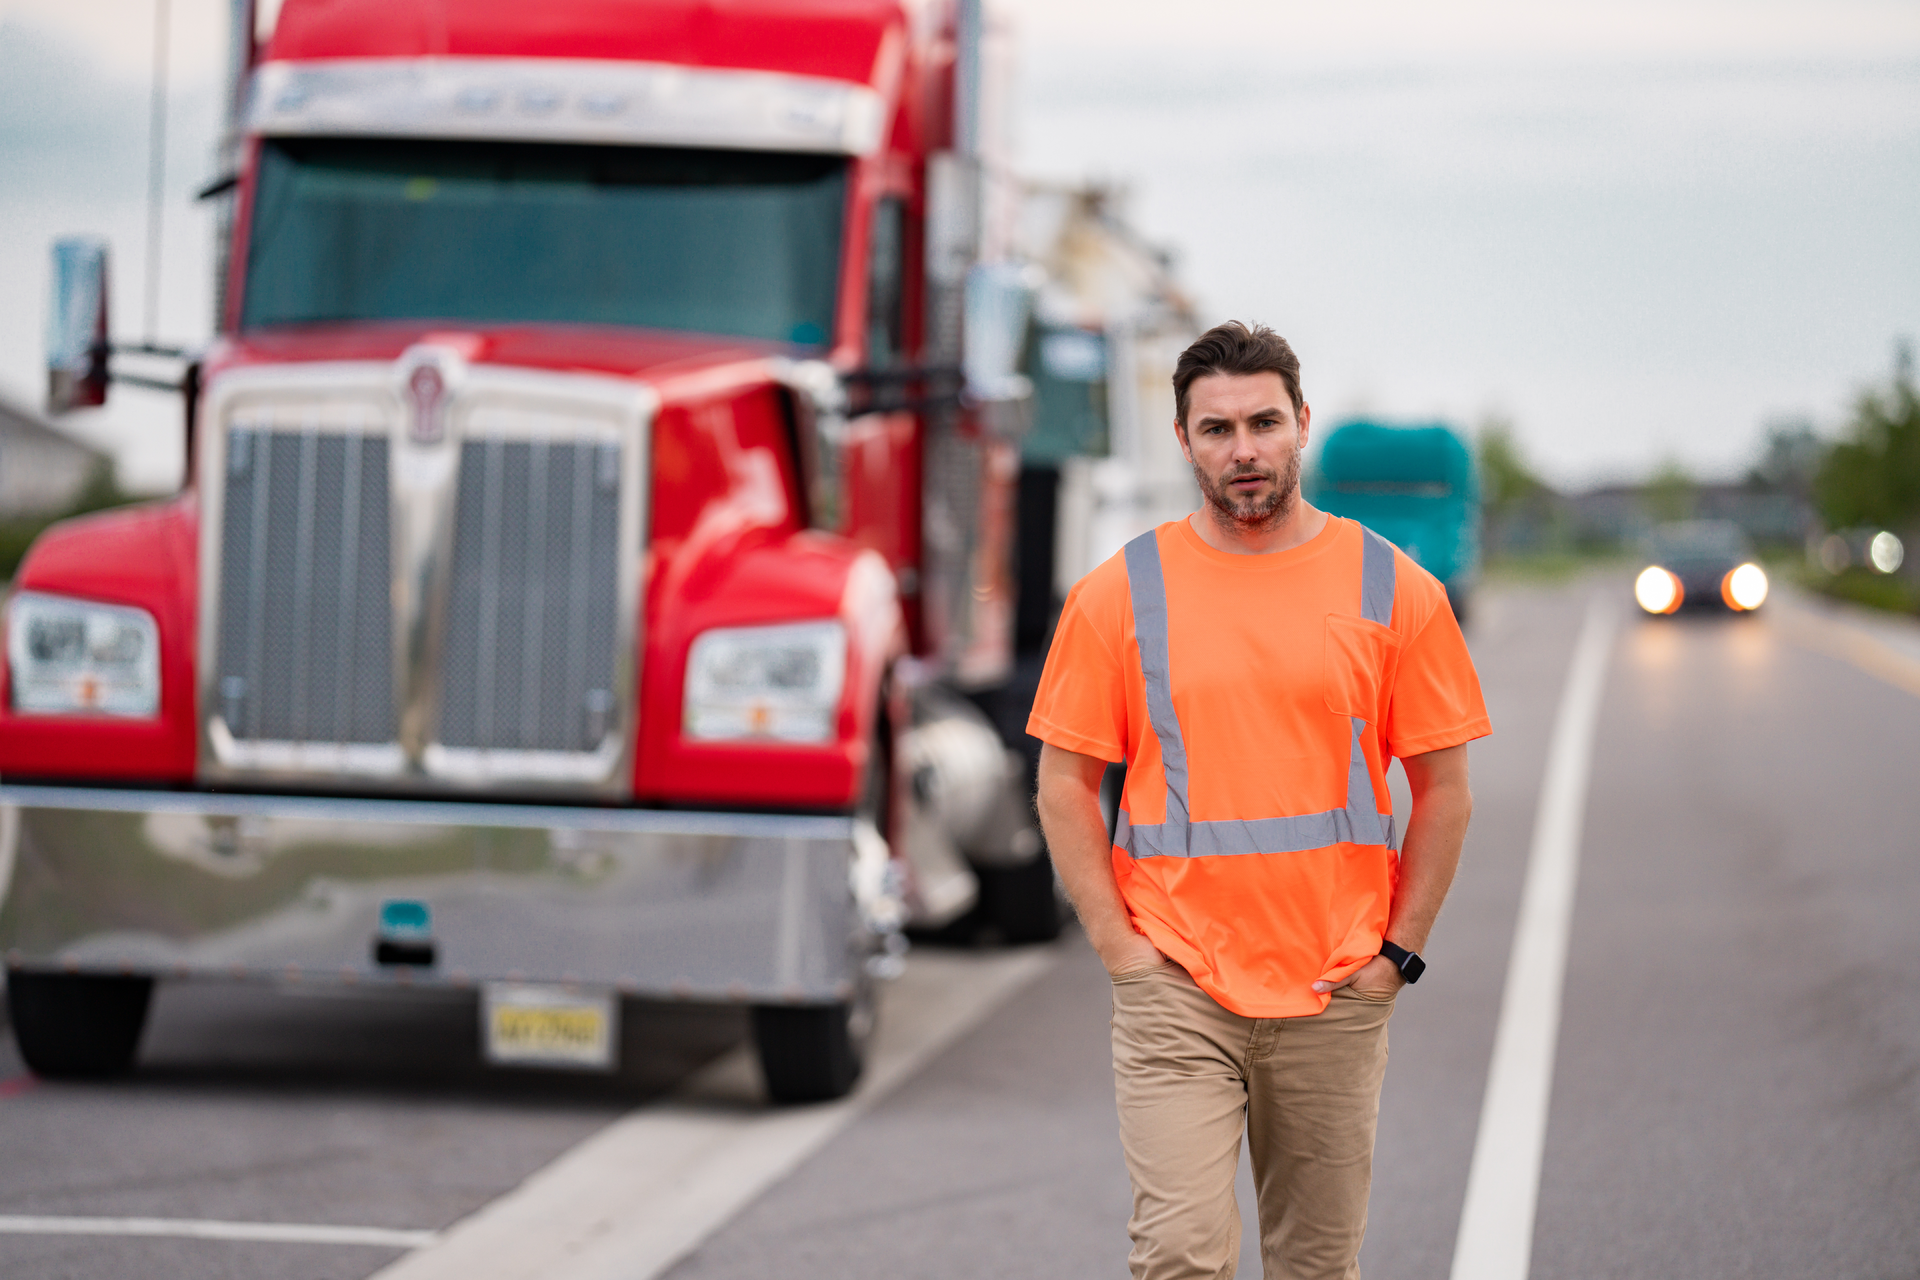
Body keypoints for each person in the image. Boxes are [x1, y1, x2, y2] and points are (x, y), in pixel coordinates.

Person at [1030, 321, 1489, 1279]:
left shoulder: (1395, 589)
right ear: (1183, 438)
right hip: (1178, 988)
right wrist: (1123, 951)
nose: (1244, 450)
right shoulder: (1120, 593)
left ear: (1302, 425)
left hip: (1333, 987)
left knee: (1316, 1266)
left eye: (1264, 423)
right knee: (1181, 1257)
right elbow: (1065, 784)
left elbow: (1443, 790)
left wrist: (1396, 955)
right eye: (1217, 429)